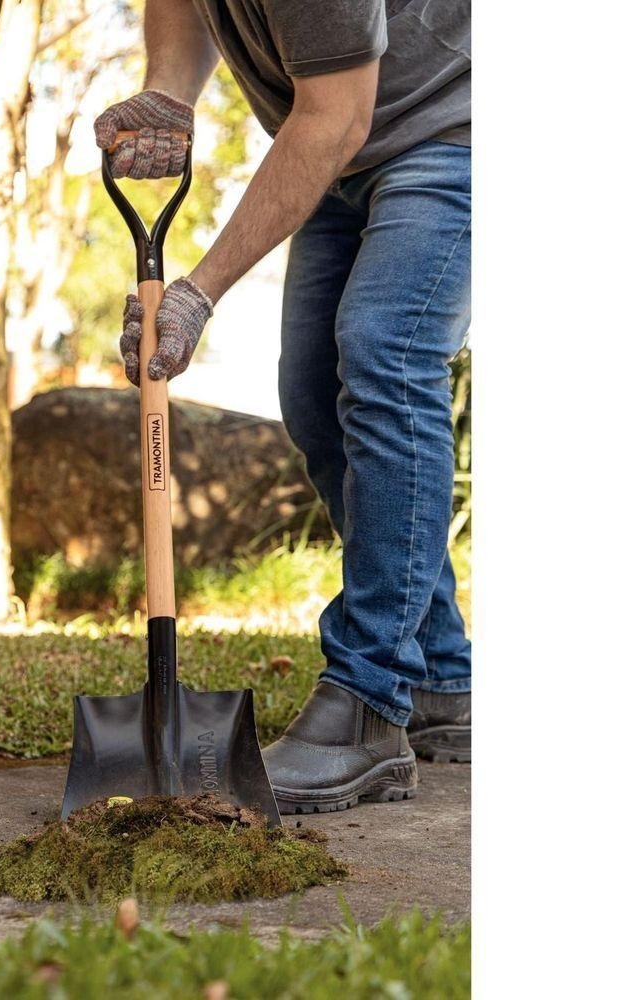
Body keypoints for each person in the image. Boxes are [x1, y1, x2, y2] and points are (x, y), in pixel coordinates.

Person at [94, 1, 471, 814]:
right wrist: (169, 89)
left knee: (385, 355)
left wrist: (197, 292)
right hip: (343, 147)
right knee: (311, 394)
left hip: (452, 124)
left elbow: (336, 115)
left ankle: (368, 704)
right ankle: (442, 675)